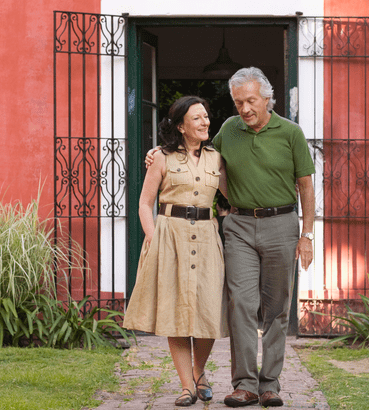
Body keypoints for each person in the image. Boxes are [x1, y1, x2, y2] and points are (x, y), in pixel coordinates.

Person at [145, 67, 316, 408]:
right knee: (240, 303)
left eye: (250, 101)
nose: (244, 109)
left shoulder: (291, 133)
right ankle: (245, 384)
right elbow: (200, 157)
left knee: (277, 308)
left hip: (282, 224)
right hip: (237, 225)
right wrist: (157, 154)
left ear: (267, 98)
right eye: (238, 102)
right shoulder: (228, 130)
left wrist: (307, 234)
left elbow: (307, 187)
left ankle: (270, 384)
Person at [123, 96, 229, 407]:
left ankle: (198, 373)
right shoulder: (161, 158)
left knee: (208, 309)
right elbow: (144, 203)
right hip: (170, 236)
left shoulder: (217, 158)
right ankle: (187, 387)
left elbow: (232, 196)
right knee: (176, 312)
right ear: (181, 126)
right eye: (197, 118)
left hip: (208, 238)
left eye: (206, 116)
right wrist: (154, 237)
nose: (205, 122)